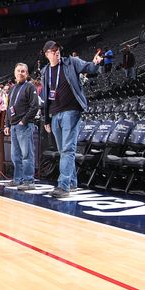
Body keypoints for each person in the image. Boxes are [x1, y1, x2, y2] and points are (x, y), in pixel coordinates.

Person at [41, 40, 102, 198]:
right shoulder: (45, 71)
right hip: (55, 114)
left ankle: (64, 186)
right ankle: (73, 182)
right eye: (53, 50)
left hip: (71, 111)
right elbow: (46, 97)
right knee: (63, 150)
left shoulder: (71, 62)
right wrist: (46, 119)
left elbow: (88, 67)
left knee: (68, 149)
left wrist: (95, 63)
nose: (57, 52)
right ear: (47, 54)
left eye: (58, 49)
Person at [4, 63, 40, 190]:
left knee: (26, 155)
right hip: (14, 126)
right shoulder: (12, 89)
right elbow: (9, 108)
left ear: (27, 73)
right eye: (18, 71)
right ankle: (17, 179)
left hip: (24, 125)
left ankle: (29, 181)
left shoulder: (30, 87)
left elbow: (35, 106)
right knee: (15, 156)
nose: (20, 73)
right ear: (15, 73)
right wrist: (7, 124)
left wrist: (23, 121)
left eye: (23, 71)